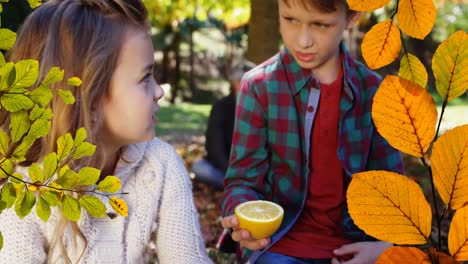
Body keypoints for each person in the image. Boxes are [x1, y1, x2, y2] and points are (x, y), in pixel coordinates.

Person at [0, 0, 212, 263]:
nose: (159, 91)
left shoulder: (161, 164)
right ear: (89, 97)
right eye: (145, 78)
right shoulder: (24, 192)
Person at [221, 0, 404, 263]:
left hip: (355, 246)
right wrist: (242, 217)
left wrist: (384, 247)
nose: (303, 41)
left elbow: (393, 188)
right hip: (280, 244)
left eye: (320, 24)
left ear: (352, 16)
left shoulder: (375, 93)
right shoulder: (259, 86)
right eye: (290, 19)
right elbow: (242, 181)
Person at [191, 61, 254, 189]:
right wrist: (231, 173)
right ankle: (237, 185)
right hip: (226, 168)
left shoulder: (261, 107)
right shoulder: (221, 107)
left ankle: (245, 185)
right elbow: (214, 148)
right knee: (199, 168)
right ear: (236, 83)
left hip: (253, 168)